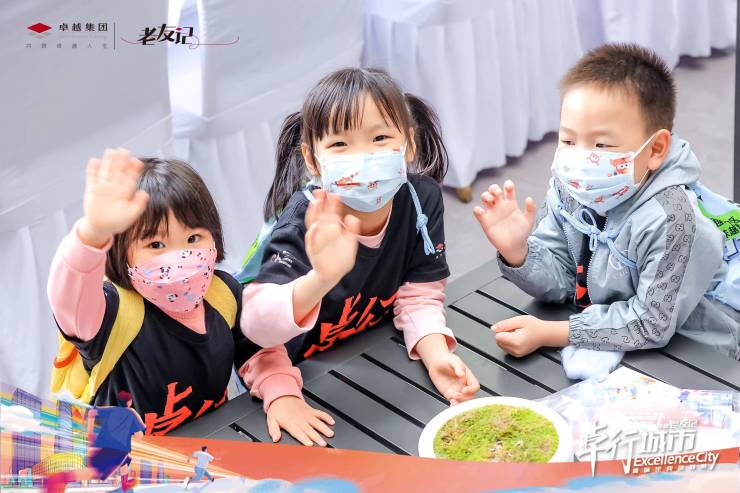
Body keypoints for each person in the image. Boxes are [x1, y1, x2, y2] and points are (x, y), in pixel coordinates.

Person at [240, 68, 480, 446]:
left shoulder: (421, 199)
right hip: (298, 372)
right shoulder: (304, 222)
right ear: (313, 160)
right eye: (340, 144)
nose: (363, 158)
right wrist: (281, 390)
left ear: (409, 144)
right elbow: (255, 329)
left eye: (380, 138)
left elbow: (419, 291)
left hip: (368, 353)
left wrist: (435, 352)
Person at [474, 43, 739, 378]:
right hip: (606, 331)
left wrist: (553, 333)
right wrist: (519, 254)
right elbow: (563, 281)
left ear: (656, 149)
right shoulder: (572, 187)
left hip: (694, 354)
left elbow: (653, 323)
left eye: (601, 145)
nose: (580, 159)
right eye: (568, 141)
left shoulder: (674, 220)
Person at [47, 149, 264, 433]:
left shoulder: (224, 293)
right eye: (156, 245)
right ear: (121, 252)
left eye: (193, 238)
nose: (179, 258)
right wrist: (92, 234)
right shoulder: (109, 314)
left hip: (215, 443)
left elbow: (257, 352)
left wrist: (279, 391)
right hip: (129, 457)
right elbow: (68, 298)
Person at [45, 391, 145, 493]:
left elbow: (91, 412)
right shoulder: (131, 413)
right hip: (115, 450)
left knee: (125, 459)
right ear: (130, 402)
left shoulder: (111, 409)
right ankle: (58, 479)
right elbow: (139, 436)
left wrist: (90, 433)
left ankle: (125, 482)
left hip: (103, 446)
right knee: (93, 472)